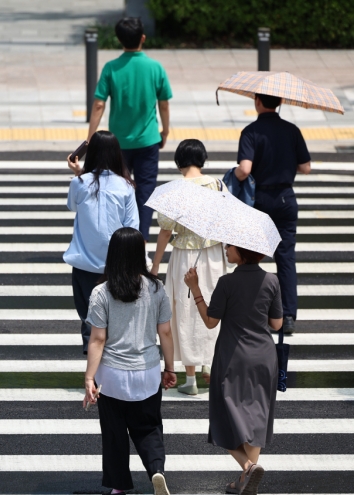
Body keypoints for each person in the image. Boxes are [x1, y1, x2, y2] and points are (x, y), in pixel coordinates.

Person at [83, 227, 176, 495]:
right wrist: (169, 368)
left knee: (114, 432)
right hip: (146, 371)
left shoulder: (101, 292)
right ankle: (156, 469)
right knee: (148, 427)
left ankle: (118, 487)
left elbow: (98, 340)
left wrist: (90, 377)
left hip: (111, 376)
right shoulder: (156, 289)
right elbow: (166, 332)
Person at [184, 243, 283, 495]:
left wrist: (195, 288)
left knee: (223, 417)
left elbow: (210, 321)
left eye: (231, 247)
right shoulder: (271, 280)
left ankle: (247, 467)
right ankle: (244, 481)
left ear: (243, 252)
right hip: (263, 356)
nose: (226, 249)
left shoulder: (227, 282)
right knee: (256, 418)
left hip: (233, 356)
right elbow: (277, 323)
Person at [150, 139, 229, 395]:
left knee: (184, 311)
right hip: (213, 253)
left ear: (179, 161)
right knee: (212, 305)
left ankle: (191, 378)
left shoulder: (173, 190)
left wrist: (155, 266)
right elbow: (227, 221)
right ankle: (209, 364)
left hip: (184, 255)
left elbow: (165, 231)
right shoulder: (218, 185)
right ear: (202, 158)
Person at [87, 17, 172, 243]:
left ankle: (117, 240)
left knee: (116, 190)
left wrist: (90, 138)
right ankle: (140, 241)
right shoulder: (155, 67)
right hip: (148, 141)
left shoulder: (111, 68)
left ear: (118, 40)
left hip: (118, 145)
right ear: (143, 38)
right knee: (144, 193)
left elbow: (98, 104)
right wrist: (165, 131)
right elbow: (163, 103)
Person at [235, 93, 311, 335]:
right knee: (285, 258)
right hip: (286, 199)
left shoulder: (250, 131)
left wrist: (234, 175)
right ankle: (287, 316)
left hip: (260, 201)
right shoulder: (292, 130)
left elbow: (245, 170)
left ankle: (251, 311)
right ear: (280, 103)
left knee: (251, 257)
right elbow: (306, 167)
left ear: (257, 101)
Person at [64, 131, 138, 354]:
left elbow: (72, 206)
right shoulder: (126, 186)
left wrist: (79, 173)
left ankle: (92, 377)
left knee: (89, 318)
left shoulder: (80, 183)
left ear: (92, 154)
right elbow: (132, 227)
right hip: (116, 265)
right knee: (115, 317)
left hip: (85, 263)